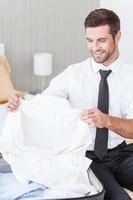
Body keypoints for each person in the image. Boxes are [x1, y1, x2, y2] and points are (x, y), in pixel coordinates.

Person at [7, 8, 133, 200]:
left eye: (101, 40)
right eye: (89, 40)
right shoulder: (73, 74)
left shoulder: (130, 77)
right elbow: (42, 105)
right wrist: (21, 104)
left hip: (122, 153)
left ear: (117, 37)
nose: (94, 47)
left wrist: (107, 120)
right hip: (87, 158)